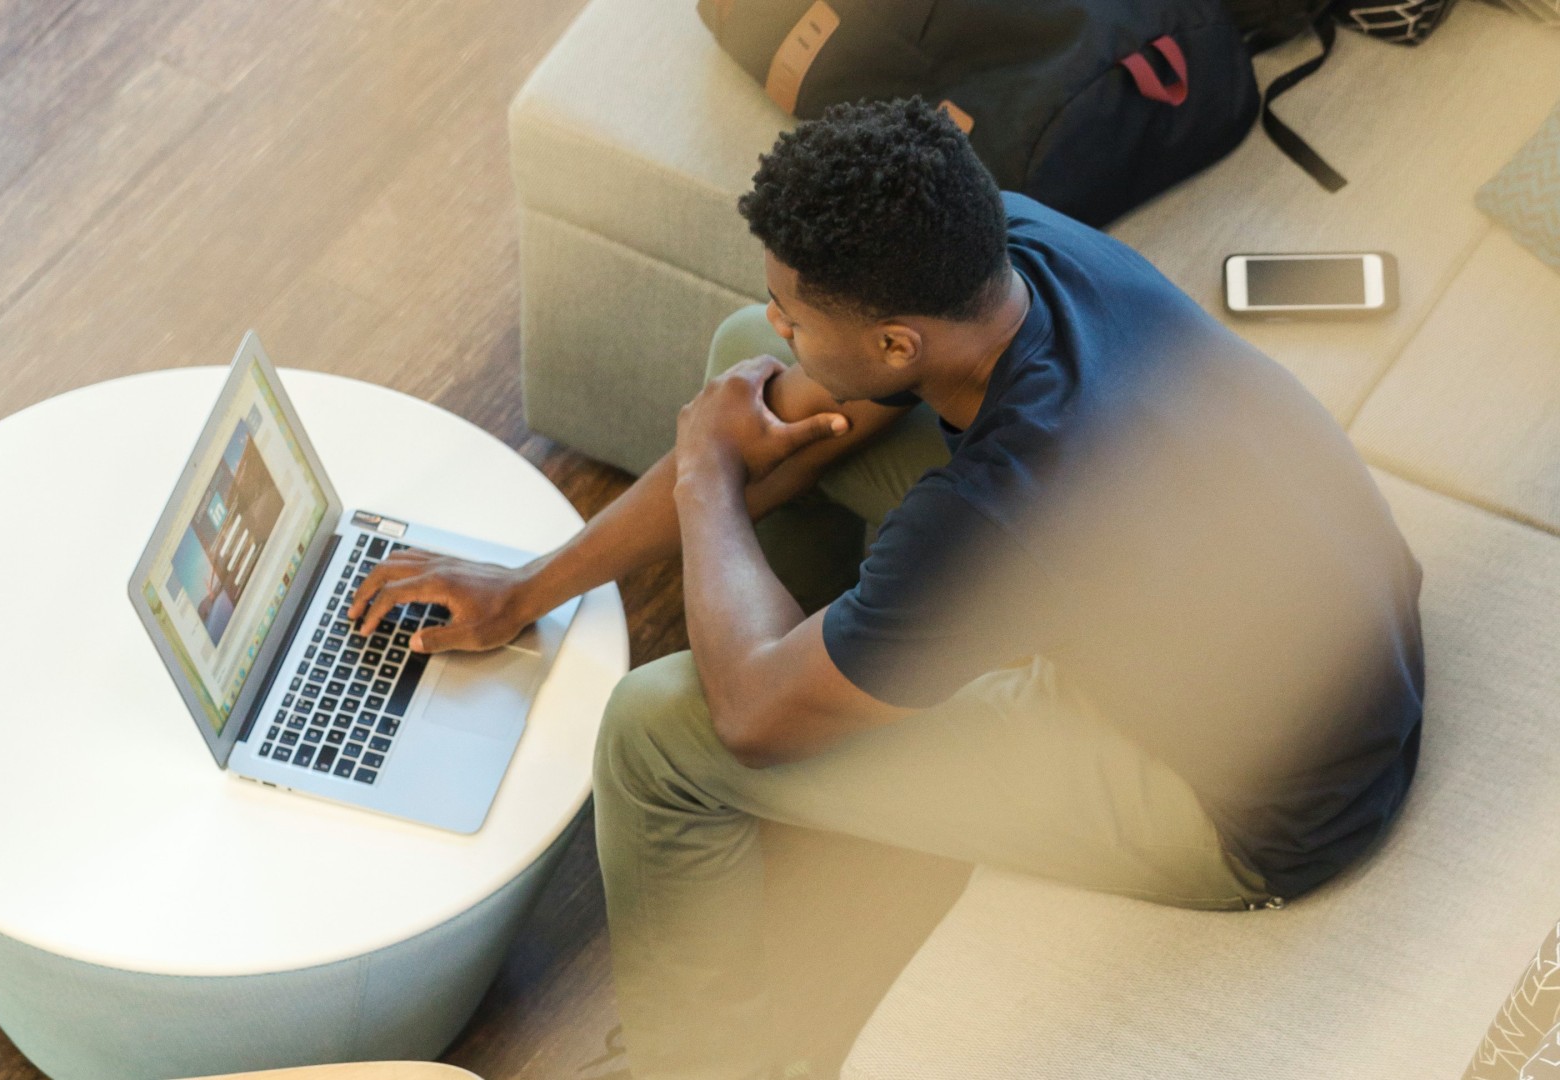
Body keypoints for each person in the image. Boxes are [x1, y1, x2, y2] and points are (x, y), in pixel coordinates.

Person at [346, 96, 1424, 1080]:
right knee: (749, 373)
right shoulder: (1013, 248)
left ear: (900, 339)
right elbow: (800, 394)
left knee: (657, 735)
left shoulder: (1009, 503)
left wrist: (713, 481)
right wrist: (527, 587)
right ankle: (840, 673)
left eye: (796, 311)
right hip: (1307, 632)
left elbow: (750, 719)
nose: (780, 323)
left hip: (1246, 805)